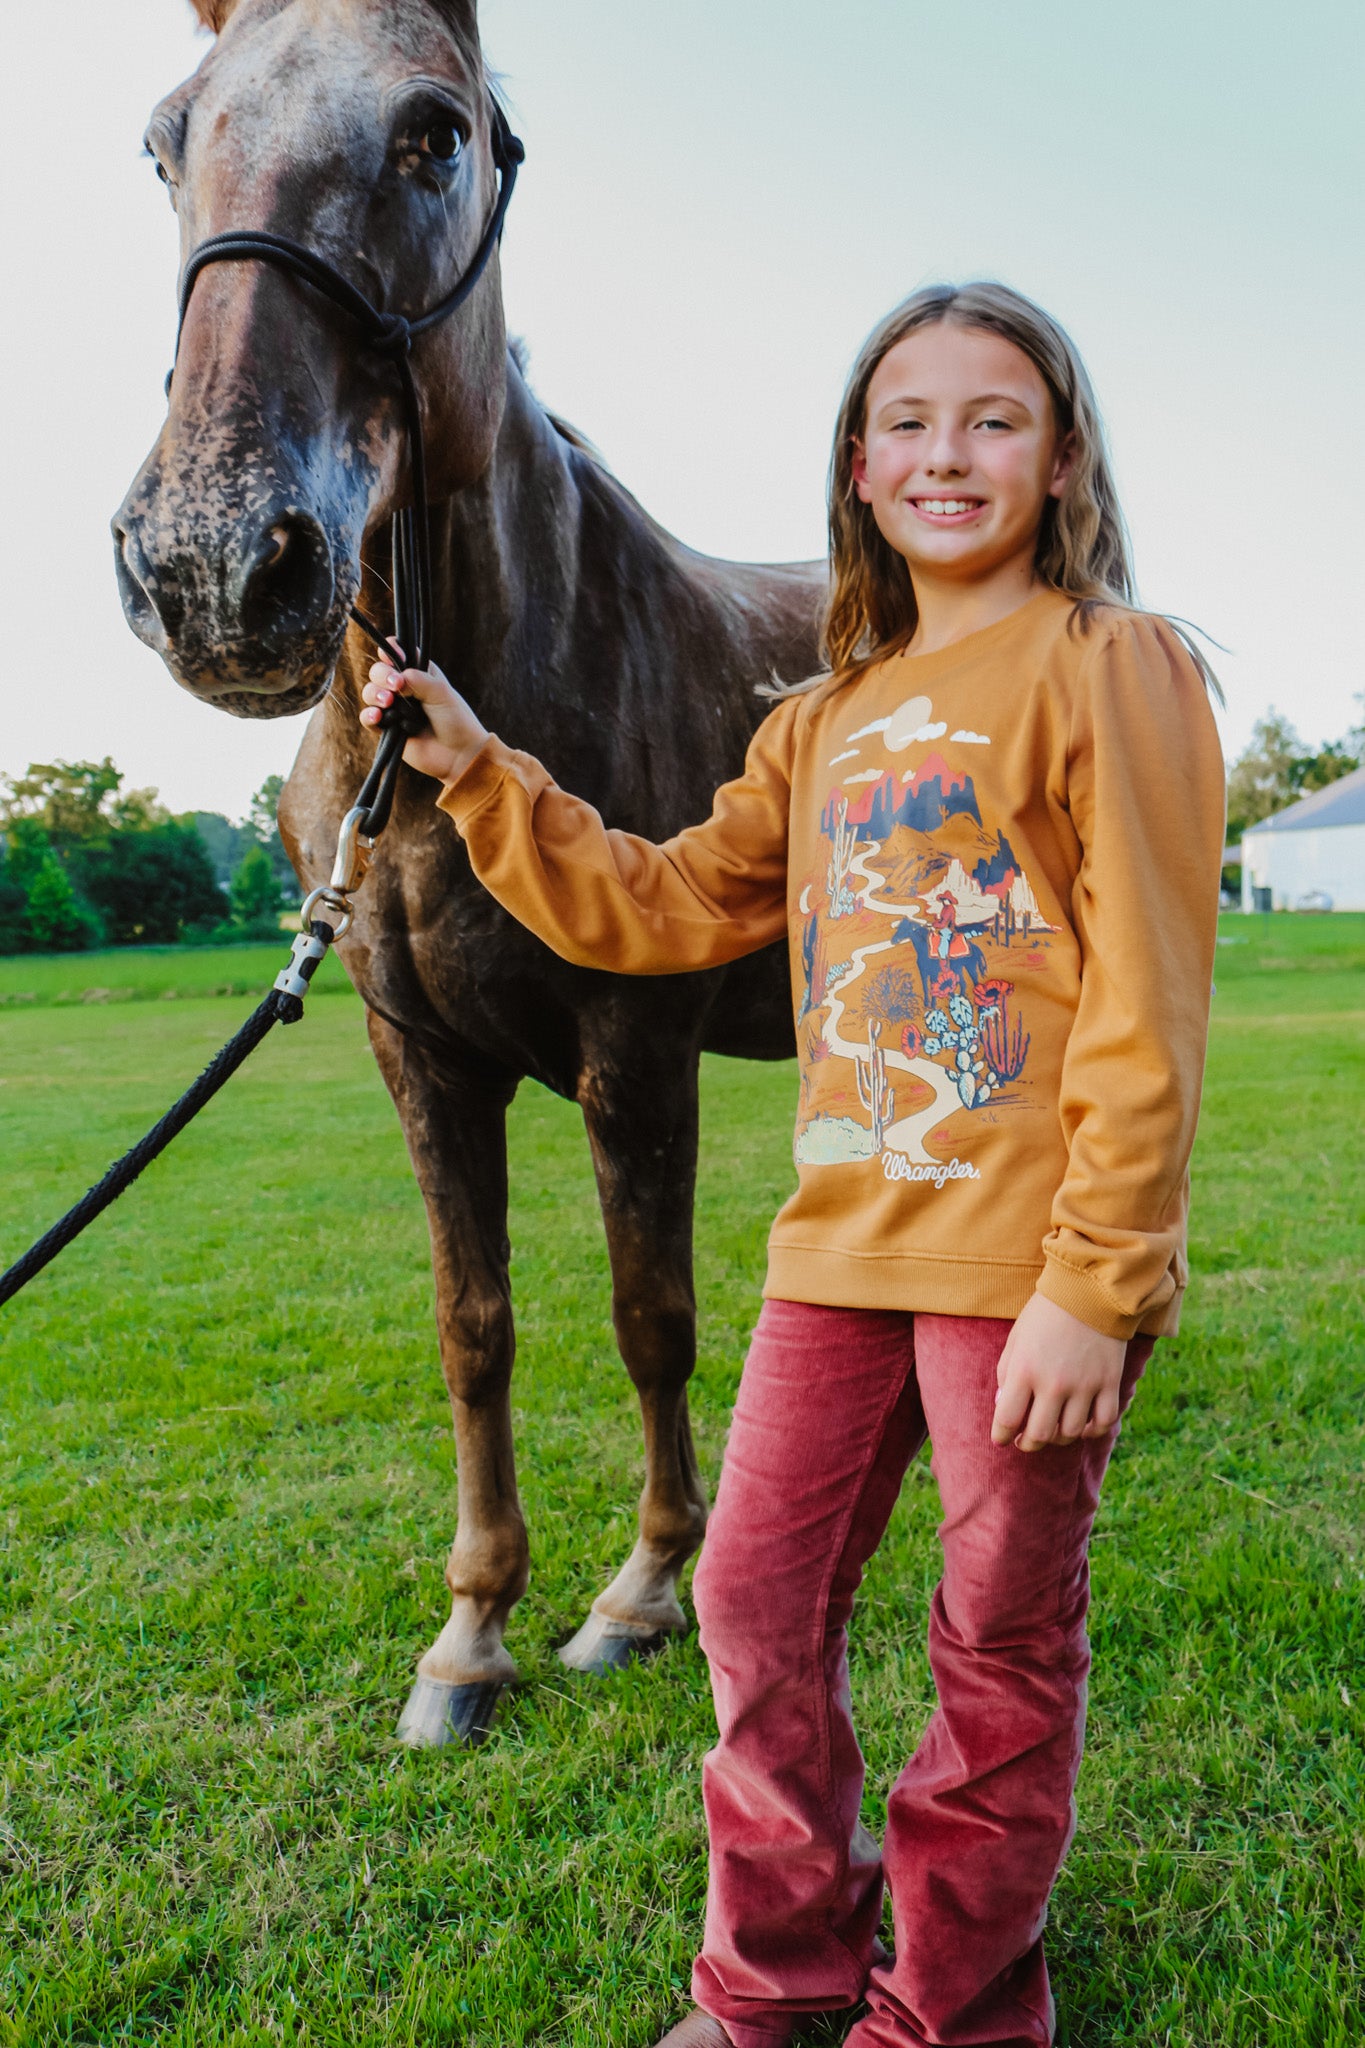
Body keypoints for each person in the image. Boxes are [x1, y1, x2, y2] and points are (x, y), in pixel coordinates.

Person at [360, 282, 1225, 2048]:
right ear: (854, 464)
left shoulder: (1107, 665)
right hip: (837, 1247)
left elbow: (1146, 989)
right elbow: (662, 905)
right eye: (905, 419)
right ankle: (771, 1986)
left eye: (994, 417)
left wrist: (1098, 1282)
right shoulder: (817, 721)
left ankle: (953, 2012)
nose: (946, 453)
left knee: (992, 1649)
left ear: (1060, 459)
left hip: (1021, 1274)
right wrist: (483, 777)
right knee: (752, 1604)